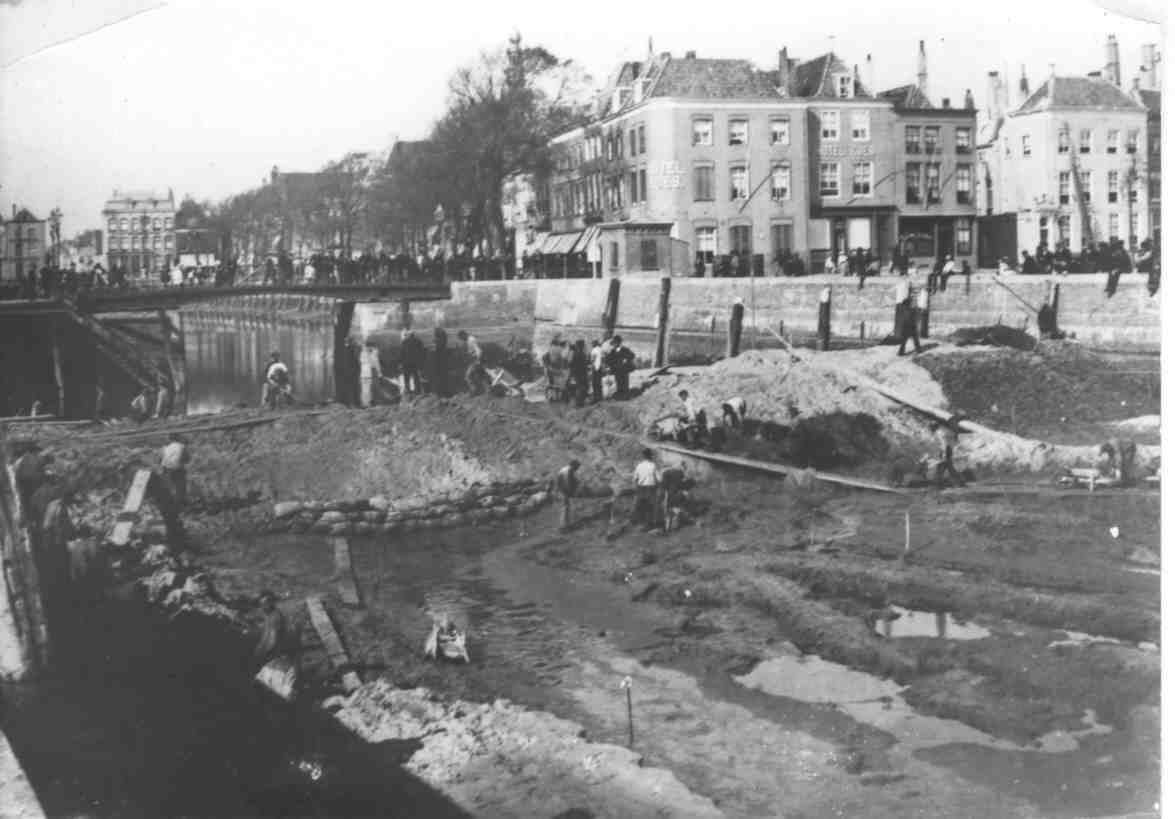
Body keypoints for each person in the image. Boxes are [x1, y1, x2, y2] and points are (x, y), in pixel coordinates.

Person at [931, 417, 966, 488]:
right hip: (947, 450)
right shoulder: (942, 430)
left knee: (942, 467)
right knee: (948, 467)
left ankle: (939, 484)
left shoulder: (939, 433)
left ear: (934, 427)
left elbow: (944, 443)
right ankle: (960, 482)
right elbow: (949, 441)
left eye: (931, 427)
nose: (930, 429)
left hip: (946, 450)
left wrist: (943, 454)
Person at [631, 448, 660, 530]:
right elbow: (659, 479)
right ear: (650, 456)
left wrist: (636, 486)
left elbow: (634, 479)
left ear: (643, 456)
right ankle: (649, 524)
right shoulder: (653, 465)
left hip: (641, 488)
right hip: (650, 488)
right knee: (650, 506)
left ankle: (639, 523)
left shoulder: (639, 466)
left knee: (641, 505)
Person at [159, 433, 190, 508]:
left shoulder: (164, 448)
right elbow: (187, 459)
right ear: (178, 438)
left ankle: (168, 505)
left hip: (165, 470)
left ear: (169, 439)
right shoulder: (182, 446)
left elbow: (159, 459)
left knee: (168, 488)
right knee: (180, 488)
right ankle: (179, 505)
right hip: (177, 470)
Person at [552, 459, 581, 531]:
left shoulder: (566, 469)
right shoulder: (568, 470)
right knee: (565, 508)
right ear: (574, 465)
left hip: (561, 491)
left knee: (566, 507)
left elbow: (573, 480)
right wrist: (571, 492)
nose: (577, 469)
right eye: (577, 467)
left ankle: (566, 525)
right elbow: (567, 482)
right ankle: (564, 527)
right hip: (562, 491)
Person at [661, 464, 688, 533]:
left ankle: (667, 528)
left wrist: (664, 494)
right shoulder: (680, 473)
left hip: (669, 493)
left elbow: (664, 485)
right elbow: (682, 484)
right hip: (676, 493)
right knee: (675, 508)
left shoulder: (666, 472)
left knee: (668, 510)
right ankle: (674, 526)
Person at [400, 330, 426, 396]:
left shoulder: (404, 342)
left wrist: (401, 362)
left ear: (409, 335)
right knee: (416, 377)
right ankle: (417, 391)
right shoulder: (418, 341)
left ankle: (407, 390)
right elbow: (422, 352)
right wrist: (421, 362)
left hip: (406, 363)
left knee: (407, 377)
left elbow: (402, 353)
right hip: (415, 363)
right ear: (414, 335)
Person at [569, 340, 589, 408]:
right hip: (582, 373)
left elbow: (571, 364)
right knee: (581, 387)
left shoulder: (576, 354)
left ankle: (579, 403)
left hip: (577, 373)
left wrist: (572, 372)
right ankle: (580, 402)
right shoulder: (583, 354)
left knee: (579, 387)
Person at [590, 339, 605, 404]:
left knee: (595, 384)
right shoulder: (601, 349)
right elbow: (603, 359)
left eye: (592, 343)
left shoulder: (593, 350)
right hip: (600, 368)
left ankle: (595, 397)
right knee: (599, 383)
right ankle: (600, 396)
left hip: (595, 368)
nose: (591, 345)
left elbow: (592, 360)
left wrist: (592, 368)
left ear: (594, 344)